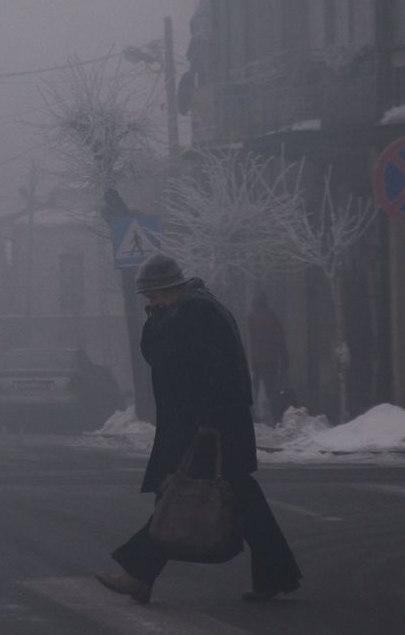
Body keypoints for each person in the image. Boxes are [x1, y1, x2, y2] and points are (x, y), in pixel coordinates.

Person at [96, 253, 302, 605]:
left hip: (208, 426)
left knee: (177, 497)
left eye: (155, 296)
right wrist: (156, 317)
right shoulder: (184, 311)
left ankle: (139, 574)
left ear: (171, 288)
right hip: (207, 423)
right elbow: (160, 356)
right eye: (149, 299)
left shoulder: (197, 312)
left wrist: (209, 422)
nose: (153, 303)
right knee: (238, 498)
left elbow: (216, 371)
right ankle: (276, 574)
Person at [246, 290, 289, 424]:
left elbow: (249, 340)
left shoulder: (251, 318)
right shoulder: (272, 316)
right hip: (271, 359)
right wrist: (285, 356)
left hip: (256, 360)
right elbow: (279, 337)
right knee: (272, 391)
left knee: (254, 390)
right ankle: (276, 418)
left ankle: (254, 418)